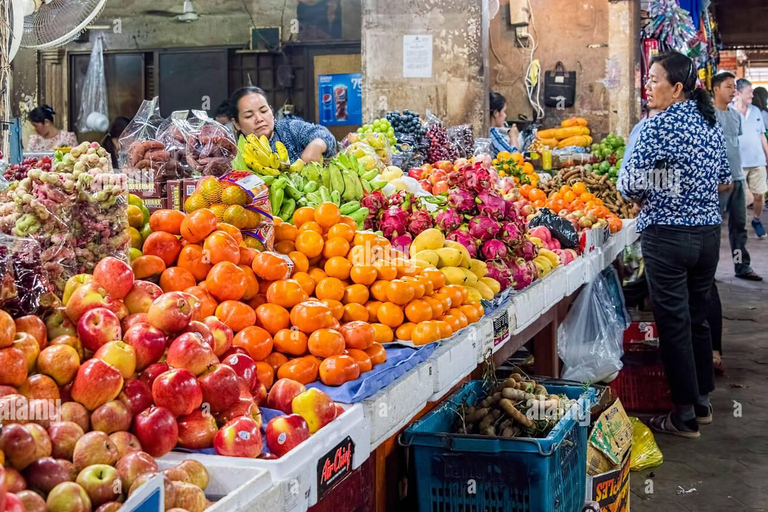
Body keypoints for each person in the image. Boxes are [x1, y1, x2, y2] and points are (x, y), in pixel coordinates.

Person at [617, 51, 732, 439]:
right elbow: (723, 179)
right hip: (706, 237)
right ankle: (702, 402)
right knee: (696, 317)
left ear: (677, 87)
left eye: (654, 80)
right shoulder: (710, 124)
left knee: (674, 324)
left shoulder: (653, 127)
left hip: (667, 237)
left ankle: (683, 415)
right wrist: (681, 186)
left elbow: (631, 185)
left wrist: (660, 185)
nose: (647, 86)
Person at [712, 72, 761, 280]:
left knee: (739, 227)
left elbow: (734, 146)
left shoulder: (735, 116)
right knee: (712, 228)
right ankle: (708, 271)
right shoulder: (708, 116)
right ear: (715, 89)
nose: (733, 91)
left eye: (734, 87)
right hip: (717, 182)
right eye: (728, 86)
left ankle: (741, 266)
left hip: (737, 178)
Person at [229, 86, 336, 163]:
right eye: (249, 116)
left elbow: (323, 134)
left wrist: (317, 144)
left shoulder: (289, 129)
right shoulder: (234, 153)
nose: (259, 119)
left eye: (264, 111)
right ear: (236, 123)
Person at [732, 79, 768, 238]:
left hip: (757, 161)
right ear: (738, 93)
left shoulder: (757, 112)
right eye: (749, 92)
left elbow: (762, 137)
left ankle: (756, 219)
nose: (752, 95)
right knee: (740, 199)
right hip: (738, 162)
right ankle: (738, 228)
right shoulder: (729, 112)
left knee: (760, 195)